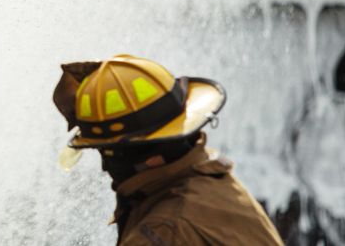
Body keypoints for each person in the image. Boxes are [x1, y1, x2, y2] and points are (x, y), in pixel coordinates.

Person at [53, 54, 283, 245]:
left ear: (147, 157)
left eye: (103, 152)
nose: (105, 168)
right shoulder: (210, 177)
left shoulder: (162, 232)